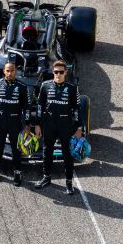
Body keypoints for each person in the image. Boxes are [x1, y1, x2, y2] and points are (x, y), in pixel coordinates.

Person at [33, 59, 82, 195]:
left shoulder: (72, 88)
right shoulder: (45, 86)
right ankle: (46, 178)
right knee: (47, 151)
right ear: (53, 72)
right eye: (56, 72)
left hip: (65, 126)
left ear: (65, 72)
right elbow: (39, 107)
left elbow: (77, 109)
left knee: (68, 154)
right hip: (49, 125)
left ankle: (69, 183)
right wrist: (37, 124)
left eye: (61, 72)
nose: (58, 74)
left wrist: (79, 128)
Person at [0, 61, 31, 186]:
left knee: (16, 149)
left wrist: (27, 125)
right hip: (0, 122)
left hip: (15, 123)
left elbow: (27, 108)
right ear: (3, 71)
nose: (9, 73)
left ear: (15, 72)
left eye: (12, 70)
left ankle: (17, 173)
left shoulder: (22, 87)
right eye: (7, 70)